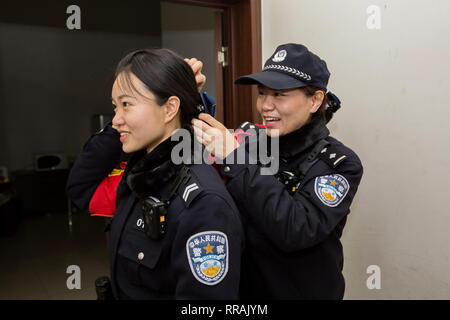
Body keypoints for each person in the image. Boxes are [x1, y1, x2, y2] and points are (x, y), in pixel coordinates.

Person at [66, 48, 243, 299]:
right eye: (115, 106)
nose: (115, 119)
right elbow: (81, 187)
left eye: (127, 104)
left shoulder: (203, 203)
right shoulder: (140, 176)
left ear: (170, 108)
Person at [192, 43, 364, 299]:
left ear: (315, 100)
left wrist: (235, 157)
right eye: (262, 93)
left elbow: (296, 229)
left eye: (279, 95)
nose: (265, 106)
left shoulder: (338, 162)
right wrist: (188, 97)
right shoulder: (251, 142)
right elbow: (198, 149)